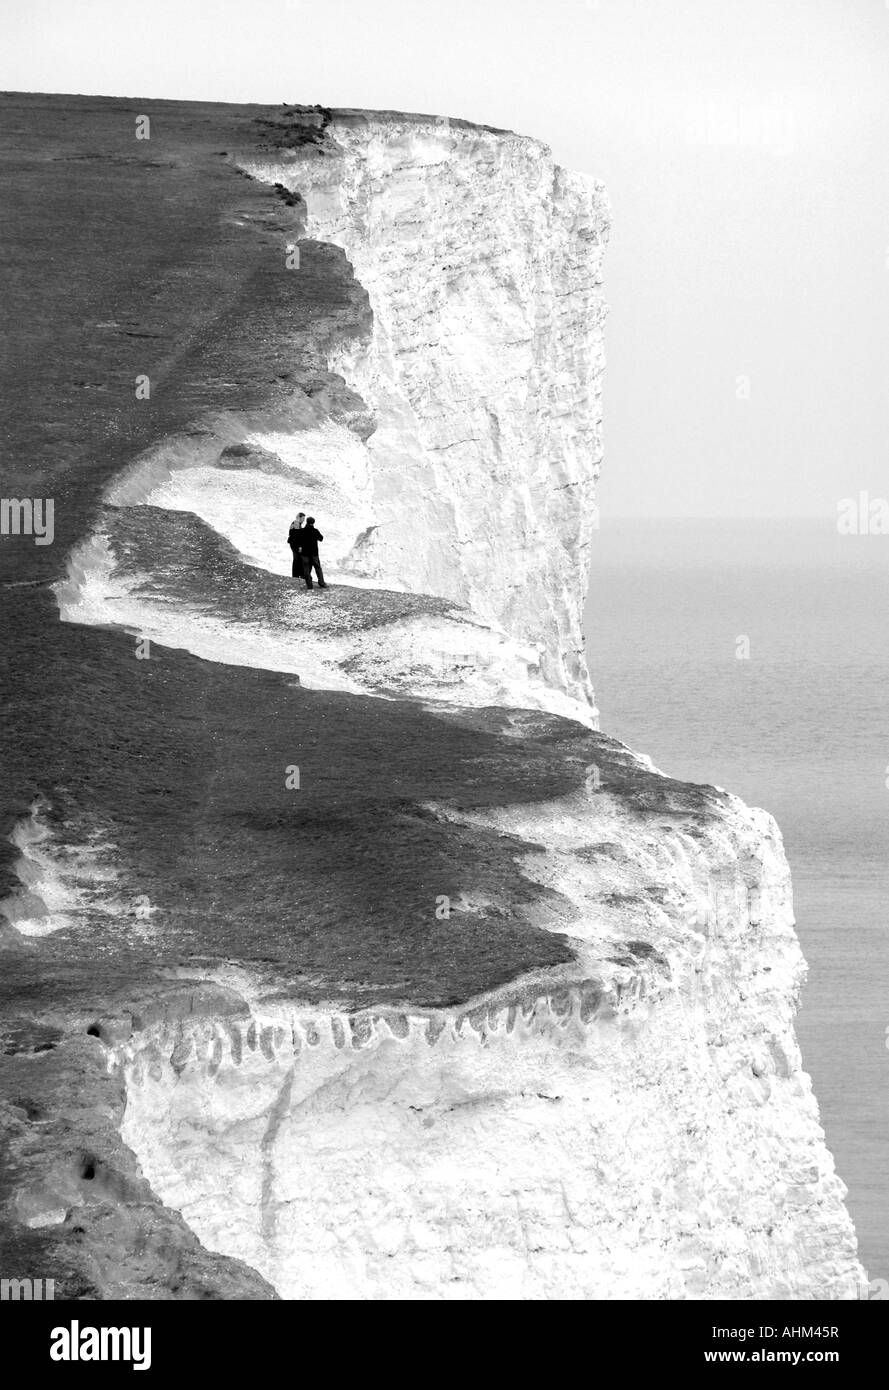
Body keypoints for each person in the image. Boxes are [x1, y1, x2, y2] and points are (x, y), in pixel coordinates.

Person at [300, 517, 326, 589]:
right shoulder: (315, 531)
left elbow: (299, 541)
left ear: (307, 522)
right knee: (317, 568)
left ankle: (309, 585)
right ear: (313, 523)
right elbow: (321, 538)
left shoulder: (302, 531)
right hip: (314, 553)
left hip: (305, 553)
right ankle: (321, 583)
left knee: (306, 569)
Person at [287, 512, 305, 578]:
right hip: (295, 544)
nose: (303, 520)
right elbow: (298, 535)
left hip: (293, 543)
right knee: (297, 559)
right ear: (299, 517)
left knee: (297, 559)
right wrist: (300, 546)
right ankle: (296, 575)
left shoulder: (296, 523)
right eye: (303, 518)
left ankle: (296, 575)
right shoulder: (296, 523)